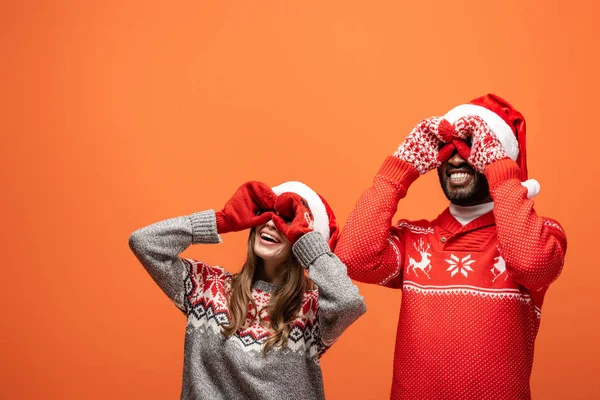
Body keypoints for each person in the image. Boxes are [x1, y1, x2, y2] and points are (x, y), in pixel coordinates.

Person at [335, 94, 567, 399]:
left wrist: (501, 171)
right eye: (448, 150)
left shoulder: (541, 233)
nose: (456, 159)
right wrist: (398, 169)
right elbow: (352, 259)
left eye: (471, 148)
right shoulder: (414, 238)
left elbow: (531, 264)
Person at [129, 180, 365, 400]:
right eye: (266, 214)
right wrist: (223, 220)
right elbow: (145, 243)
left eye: (287, 220)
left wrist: (309, 244)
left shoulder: (311, 310)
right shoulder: (208, 287)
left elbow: (348, 302)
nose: (272, 223)